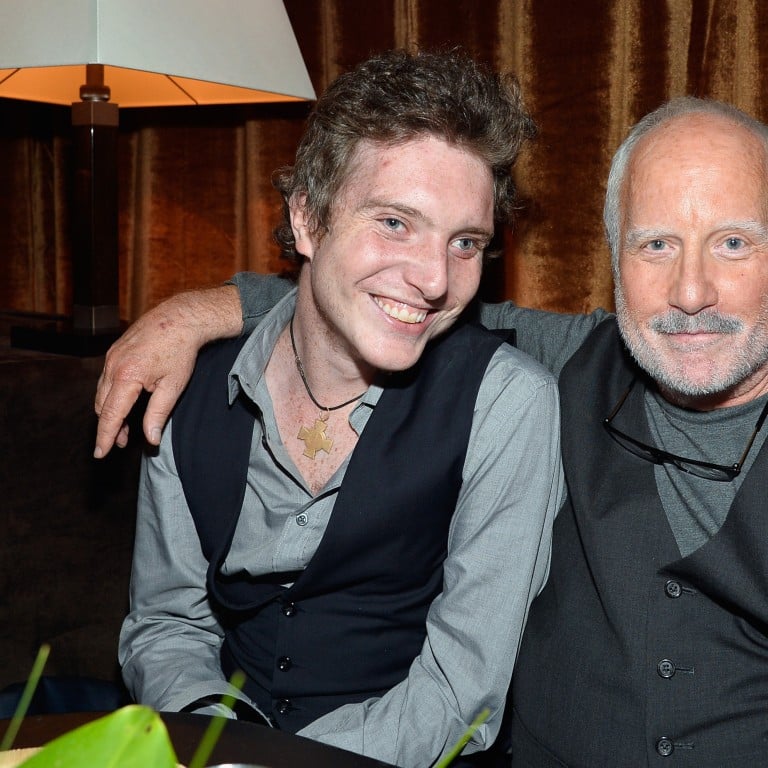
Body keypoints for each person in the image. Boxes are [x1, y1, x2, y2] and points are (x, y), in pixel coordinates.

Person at [98, 95, 768, 766]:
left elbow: (404, 301)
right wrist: (191, 313)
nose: (690, 292)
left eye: (734, 243)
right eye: (656, 244)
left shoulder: (511, 396)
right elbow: (370, 307)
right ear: (617, 257)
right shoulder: (582, 358)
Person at [115, 49, 564, 768]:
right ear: (308, 219)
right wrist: (215, 737)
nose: (433, 278)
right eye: (395, 223)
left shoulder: (508, 404)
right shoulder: (187, 387)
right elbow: (167, 623)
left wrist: (277, 763)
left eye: (466, 242)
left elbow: (460, 694)